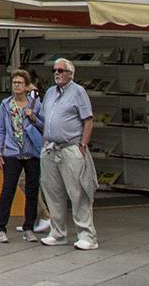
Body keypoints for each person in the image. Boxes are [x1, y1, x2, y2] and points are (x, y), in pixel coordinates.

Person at [38, 56, 97, 251]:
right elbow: (45, 118)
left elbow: (88, 120)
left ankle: (87, 236)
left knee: (78, 192)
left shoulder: (78, 92)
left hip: (71, 146)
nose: (57, 73)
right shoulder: (50, 92)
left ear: (70, 74)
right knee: (53, 192)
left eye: (61, 70)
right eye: (55, 70)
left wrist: (83, 145)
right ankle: (57, 233)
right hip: (50, 147)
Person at [0, 68, 43, 244]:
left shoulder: (35, 104)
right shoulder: (6, 104)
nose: (16, 86)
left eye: (20, 83)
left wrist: (33, 117)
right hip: (12, 152)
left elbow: (44, 125)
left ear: (27, 86)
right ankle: (1, 228)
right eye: (14, 82)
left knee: (32, 190)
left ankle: (29, 227)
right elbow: (1, 129)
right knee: (8, 190)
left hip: (31, 152)